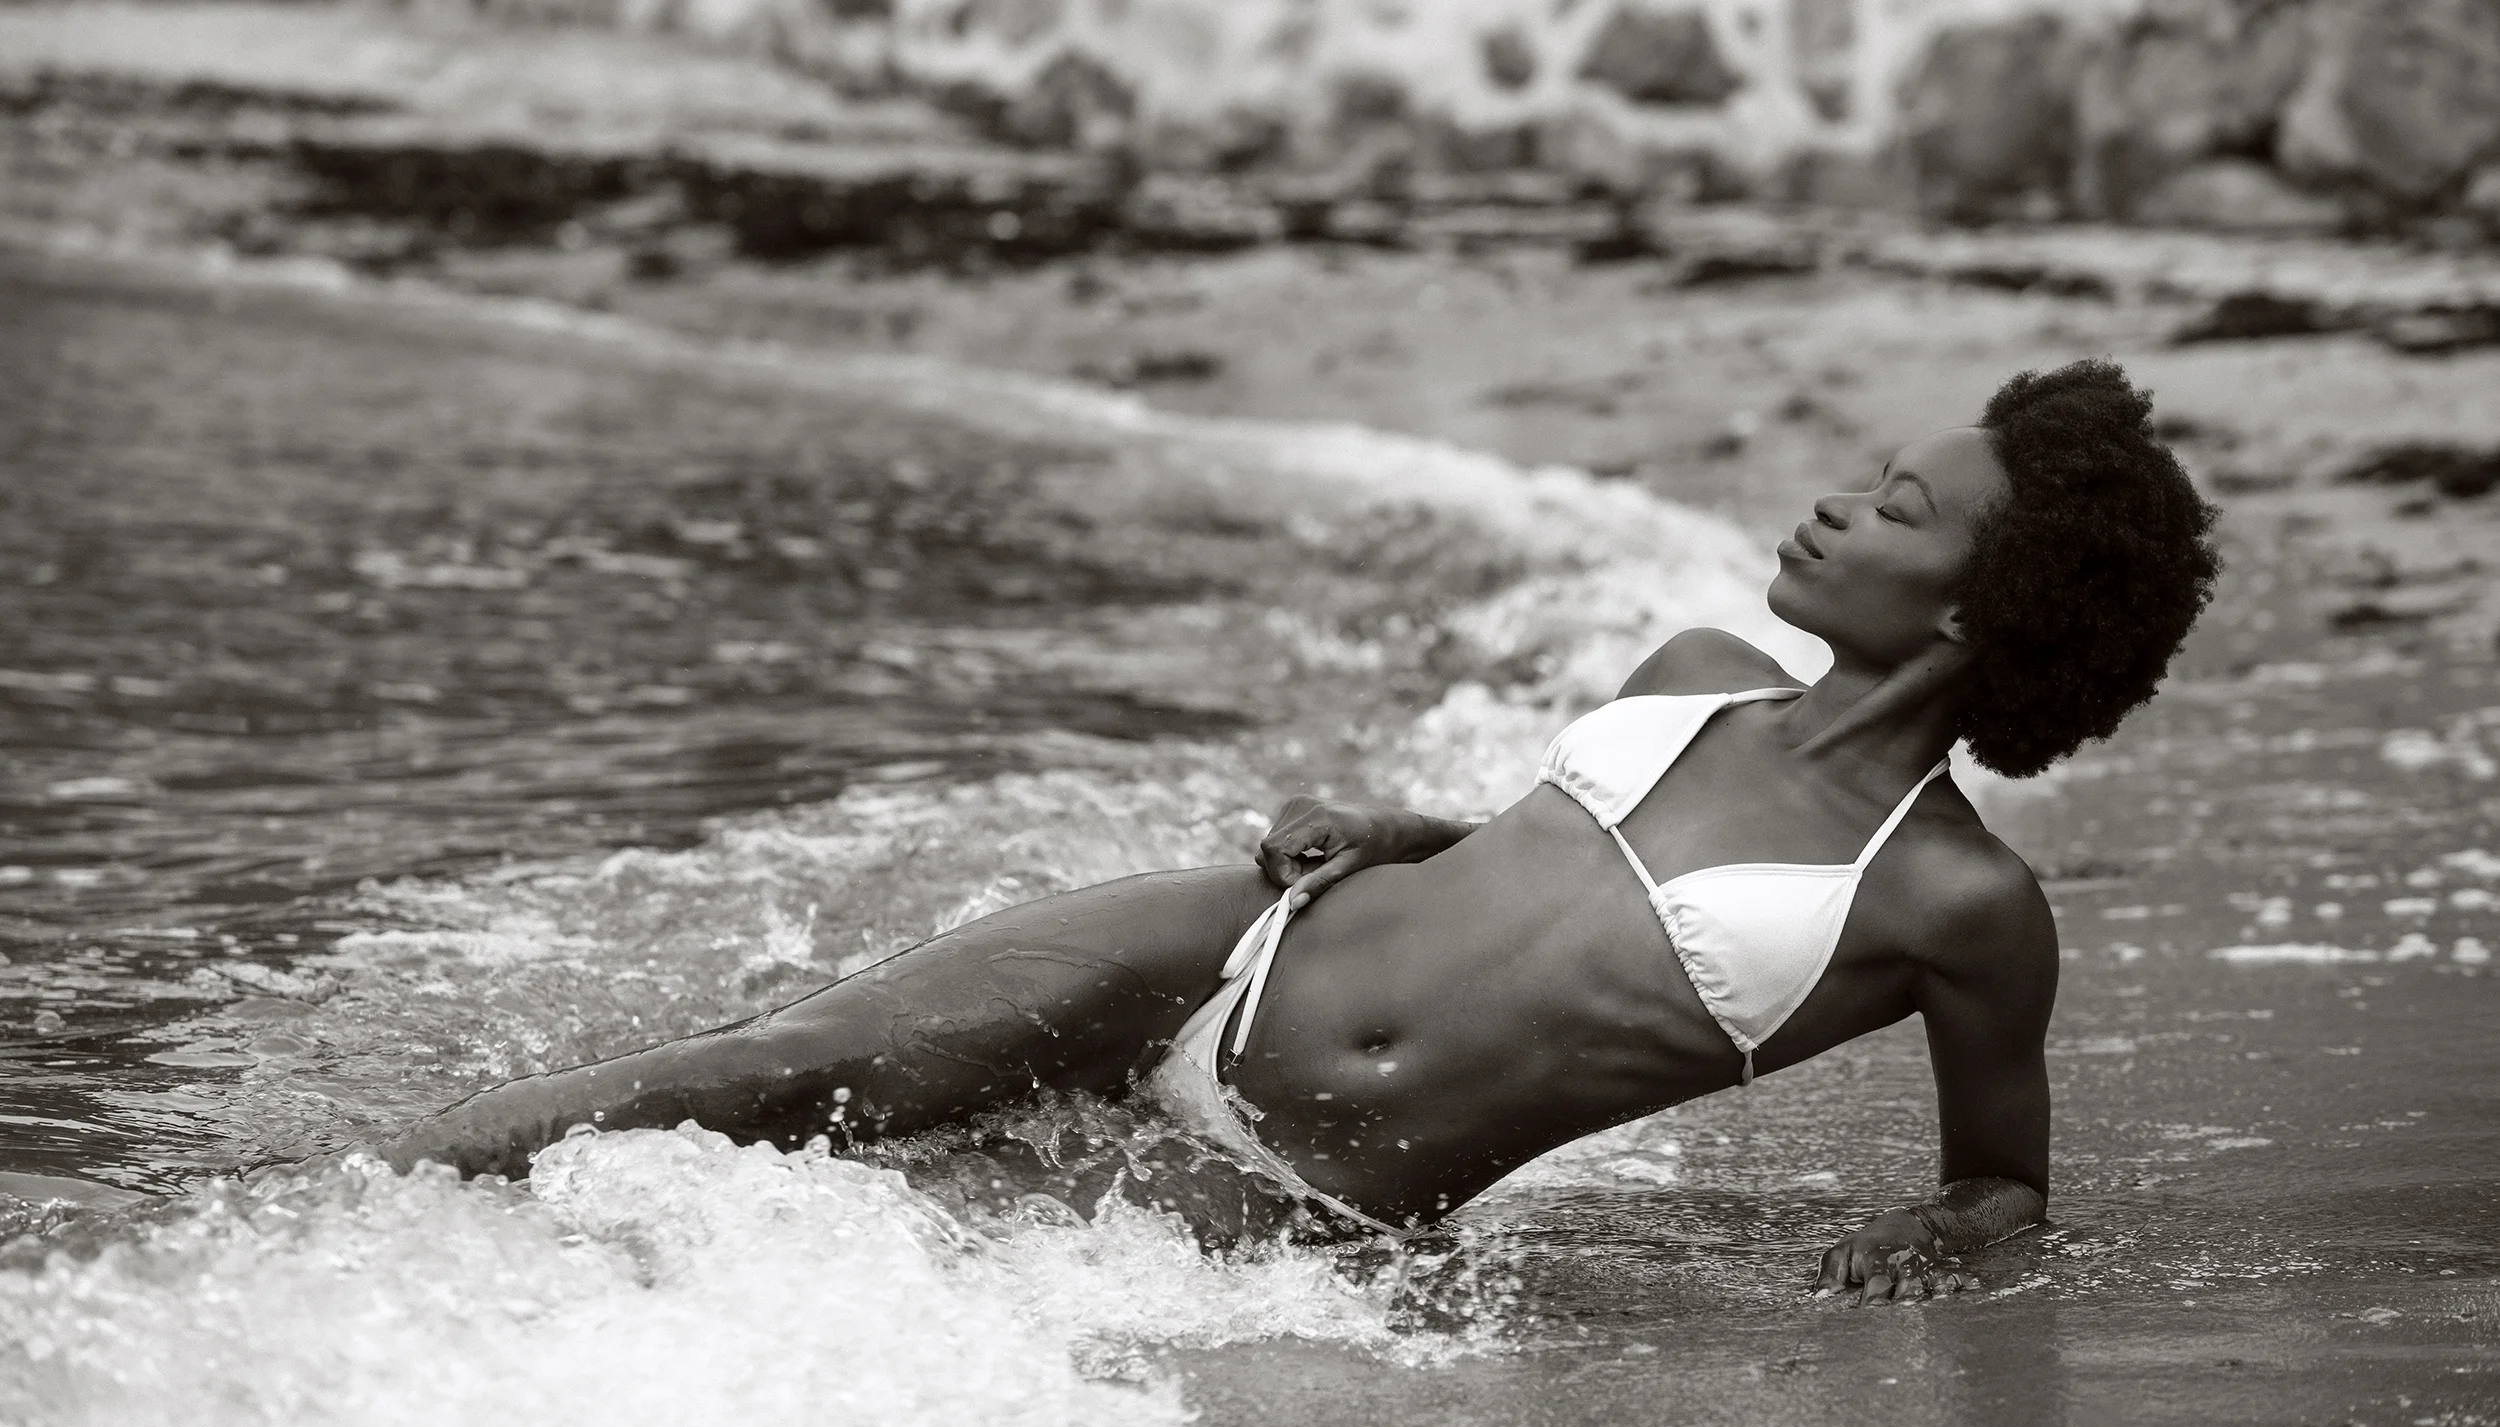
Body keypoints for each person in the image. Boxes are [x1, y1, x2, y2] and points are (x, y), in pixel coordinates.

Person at [383, 359, 2220, 1302]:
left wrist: (1945, 1235)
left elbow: (2006, 1179)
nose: (1831, 505)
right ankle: (340, 1198)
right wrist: (1391, 828)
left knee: (889, 1241)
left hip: (1308, 1183)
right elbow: (1540, 856)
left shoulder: (1960, 904)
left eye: (1892, 508)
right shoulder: (1697, 671)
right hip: (1233, 944)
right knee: (773, 1069)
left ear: (1976, 610)